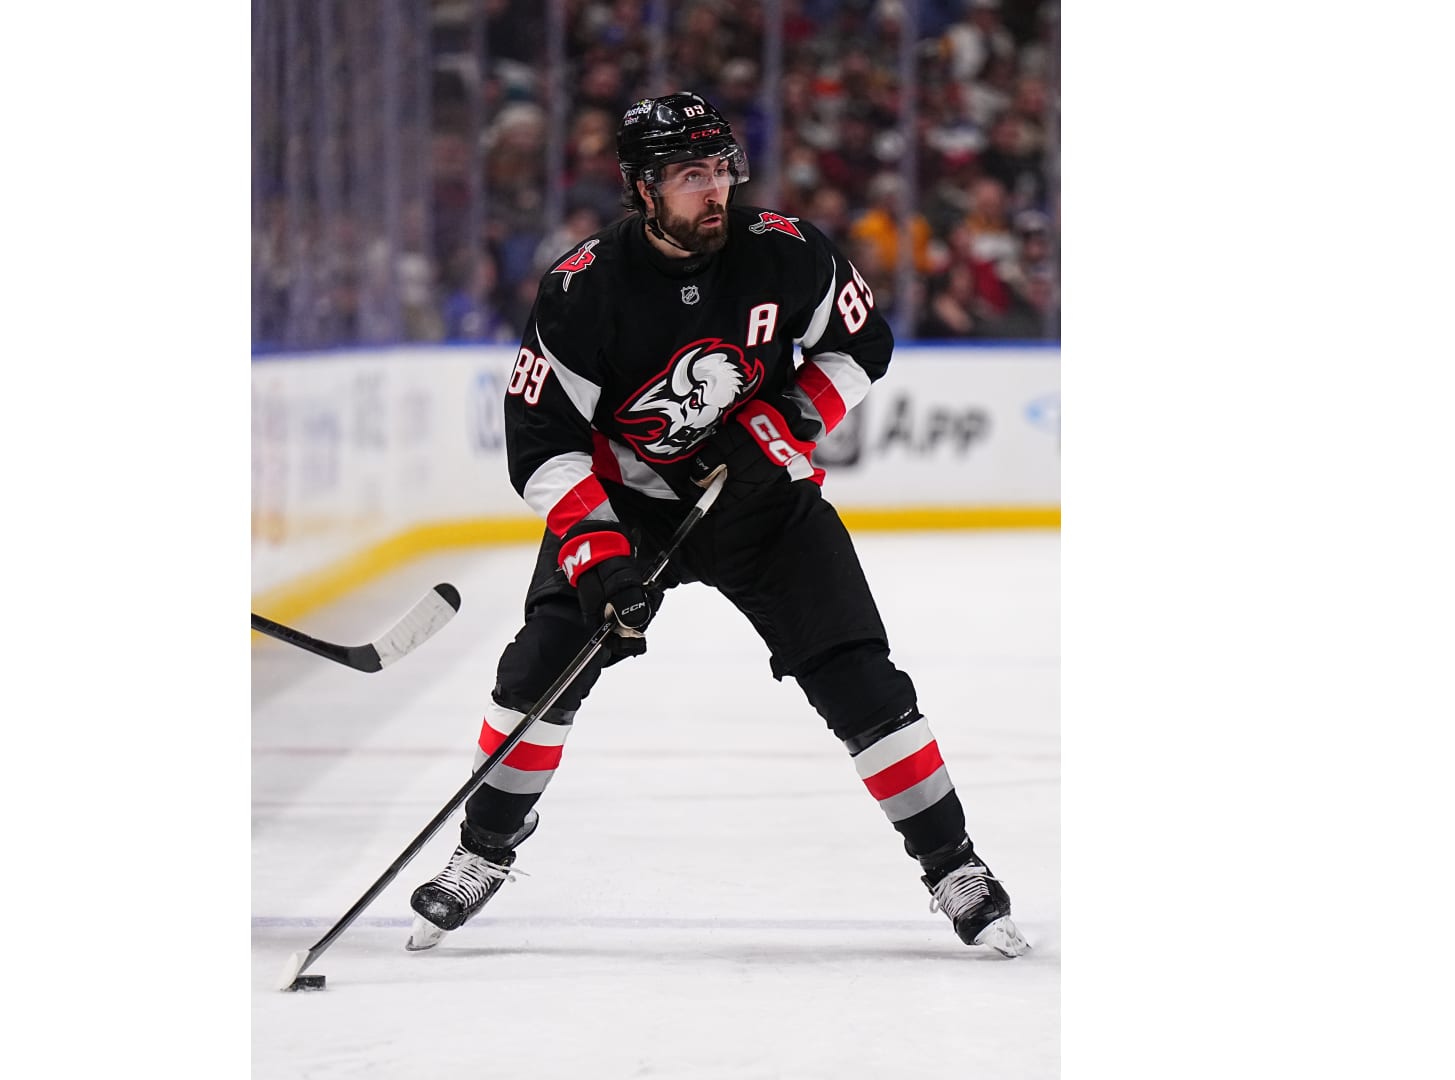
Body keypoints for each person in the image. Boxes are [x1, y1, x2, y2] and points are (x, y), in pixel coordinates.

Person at [406, 92, 1027, 957]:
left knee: (862, 682)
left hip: (762, 507)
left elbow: (862, 344)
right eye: (690, 175)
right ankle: (482, 850)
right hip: (629, 509)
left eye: (721, 169)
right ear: (643, 189)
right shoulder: (583, 289)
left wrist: (784, 421)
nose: (715, 189)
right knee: (539, 672)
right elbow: (543, 444)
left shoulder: (786, 250)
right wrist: (600, 558)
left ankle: (953, 865)